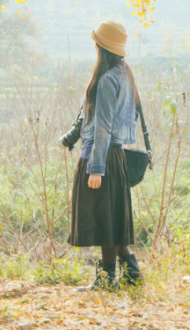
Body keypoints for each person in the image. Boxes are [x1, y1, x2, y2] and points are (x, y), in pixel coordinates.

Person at [61, 21, 143, 291]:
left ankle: (108, 280)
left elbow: (103, 126)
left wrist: (95, 168)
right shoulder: (124, 72)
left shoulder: (107, 79)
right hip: (115, 155)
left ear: (100, 47)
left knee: (103, 218)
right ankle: (130, 271)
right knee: (112, 217)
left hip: (101, 156)